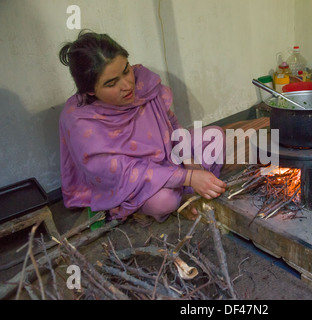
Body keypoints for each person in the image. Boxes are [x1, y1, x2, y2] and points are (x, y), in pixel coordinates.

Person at [58, 30, 226, 222]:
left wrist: (188, 160)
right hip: (131, 182)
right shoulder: (81, 122)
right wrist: (188, 178)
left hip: (167, 160)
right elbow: (126, 173)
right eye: (112, 83)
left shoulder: (143, 84)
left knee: (215, 135)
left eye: (126, 70)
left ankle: (185, 194)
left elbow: (171, 123)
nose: (128, 85)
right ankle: (174, 201)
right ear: (90, 90)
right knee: (164, 201)